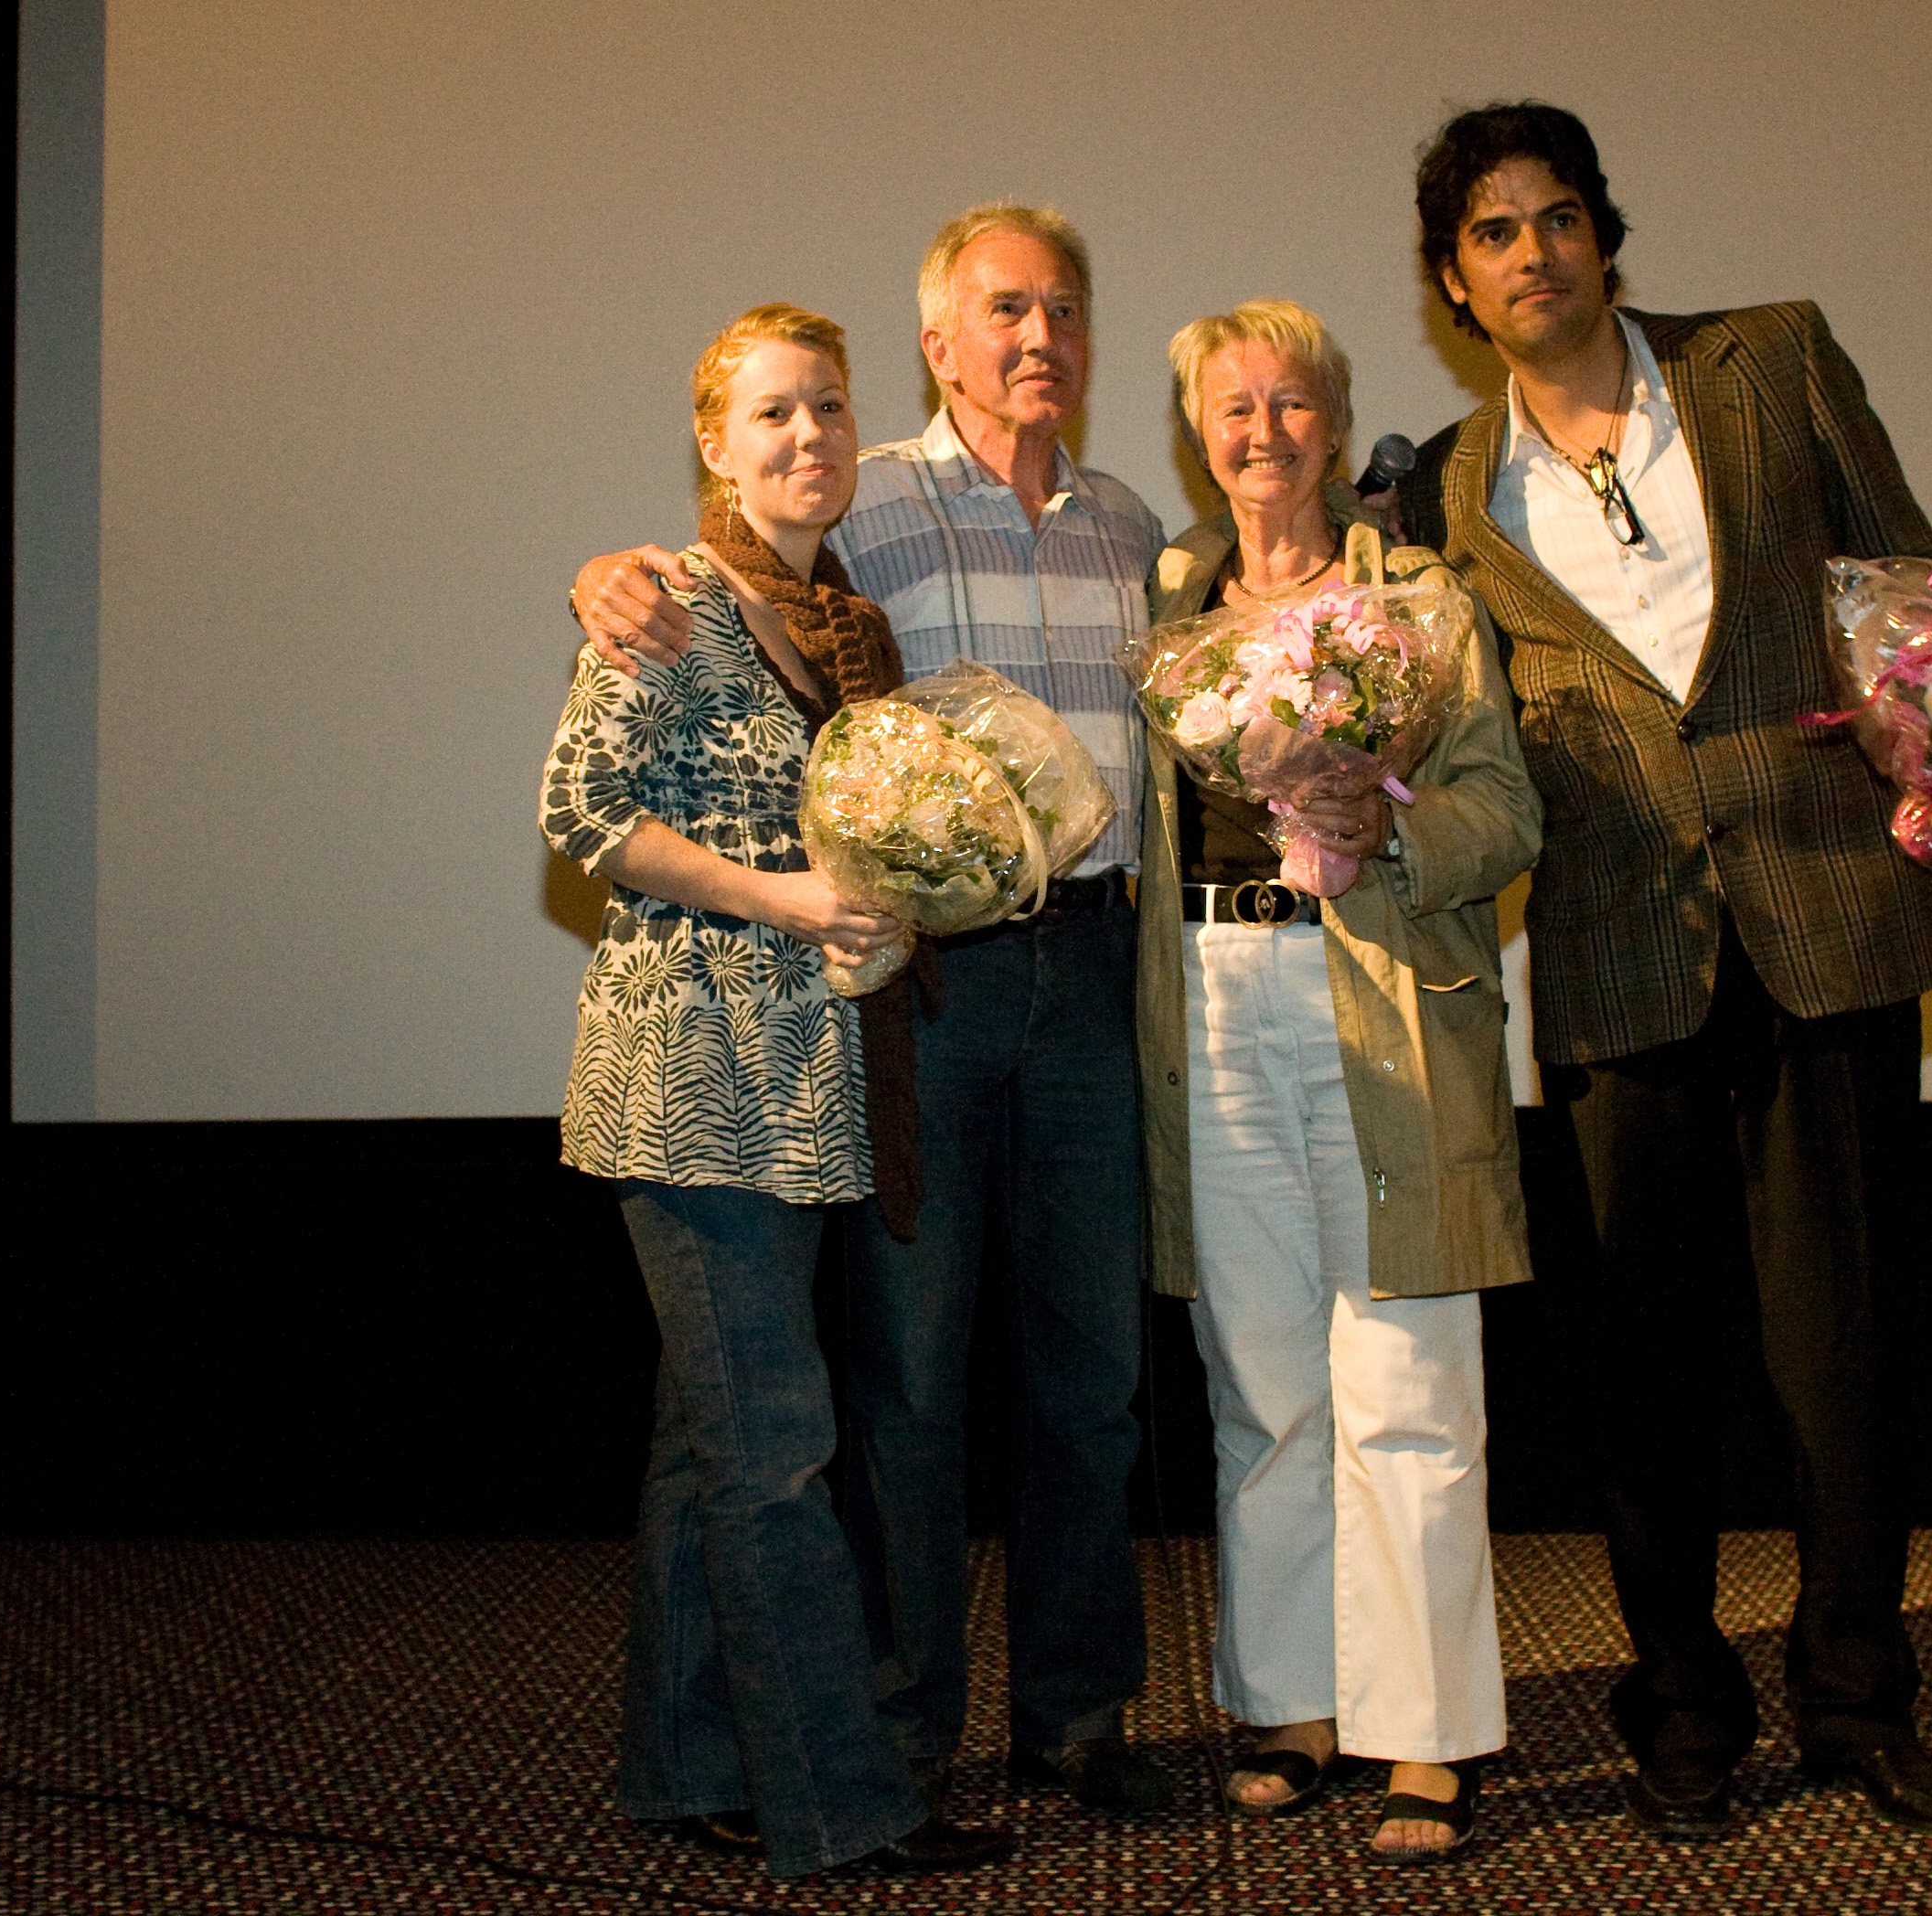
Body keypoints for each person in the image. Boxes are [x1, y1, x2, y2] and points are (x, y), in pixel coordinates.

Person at [1391, 103, 1932, 1842]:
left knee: (1845, 1353)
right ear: (1455, 282)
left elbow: (1911, 585)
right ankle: (1680, 1711)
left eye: (1559, 217)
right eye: (1495, 235)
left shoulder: (1769, 362)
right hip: (1613, 954)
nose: (1535, 253)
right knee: (1644, 1373)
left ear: (1607, 233)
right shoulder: (1446, 482)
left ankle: (1861, 1706)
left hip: (1826, 912)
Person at [564, 208, 1172, 1816]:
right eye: (1002, 310)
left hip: (1098, 972)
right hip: (934, 991)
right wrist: (606, 575)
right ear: (938, 343)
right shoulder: (866, 497)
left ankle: (1078, 1712)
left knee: (1091, 1373)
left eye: (1062, 308)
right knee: (905, 1382)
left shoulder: (1136, 533)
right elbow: (693, 575)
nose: (1037, 336)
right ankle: (904, 1725)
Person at [539, 303, 1009, 1877]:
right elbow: (583, 812)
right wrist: (786, 896)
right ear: (714, 444)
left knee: (708, 1444)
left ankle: (684, 1769)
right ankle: (843, 1805)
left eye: (826, 409)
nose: (806, 439)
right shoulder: (669, 601)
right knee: (777, 1451)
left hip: (803, 1090)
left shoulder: (847, 620)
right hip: (690, 1080)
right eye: (771, 417)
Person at [1137, 301, 1540, 1863]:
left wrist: (1389, 835)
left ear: (1335, 417)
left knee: (1408, 1385)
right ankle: (1293, 1707)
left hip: (1375, 999)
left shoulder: (1420, 602)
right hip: (1217, 1009)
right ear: (1197, 432)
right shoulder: (1170, 603)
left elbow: (1503, 808)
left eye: (1292, 403)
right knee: (1263, 1387)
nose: (1262, 433)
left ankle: (1427, 1734)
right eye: (1230, 408)